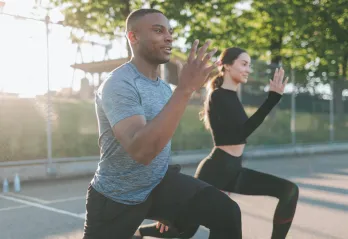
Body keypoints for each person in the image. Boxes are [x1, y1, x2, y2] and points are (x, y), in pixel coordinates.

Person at [82, 9, 243, 239]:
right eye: (158, 31)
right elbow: (142, 151)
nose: (169, 37)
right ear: (133, 37)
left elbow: (161, 141)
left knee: (226, 212)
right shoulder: (118, 84)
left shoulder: (163, 88)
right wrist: (185, 89)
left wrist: (171, 205)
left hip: (158, 185)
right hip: (117, 196)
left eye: (170, 32)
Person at [137, 47, 300, 239]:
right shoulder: (218, 96)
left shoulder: (232, 97)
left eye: (250, 65)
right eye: (244, 64)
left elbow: (241, 132)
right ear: (227, 66)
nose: (248, 69)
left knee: (289, 190)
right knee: (184, 229)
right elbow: (241, 133)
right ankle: (136, 232)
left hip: (234, 170)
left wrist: (272, 100)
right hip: (216, 170)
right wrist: (271, 100)